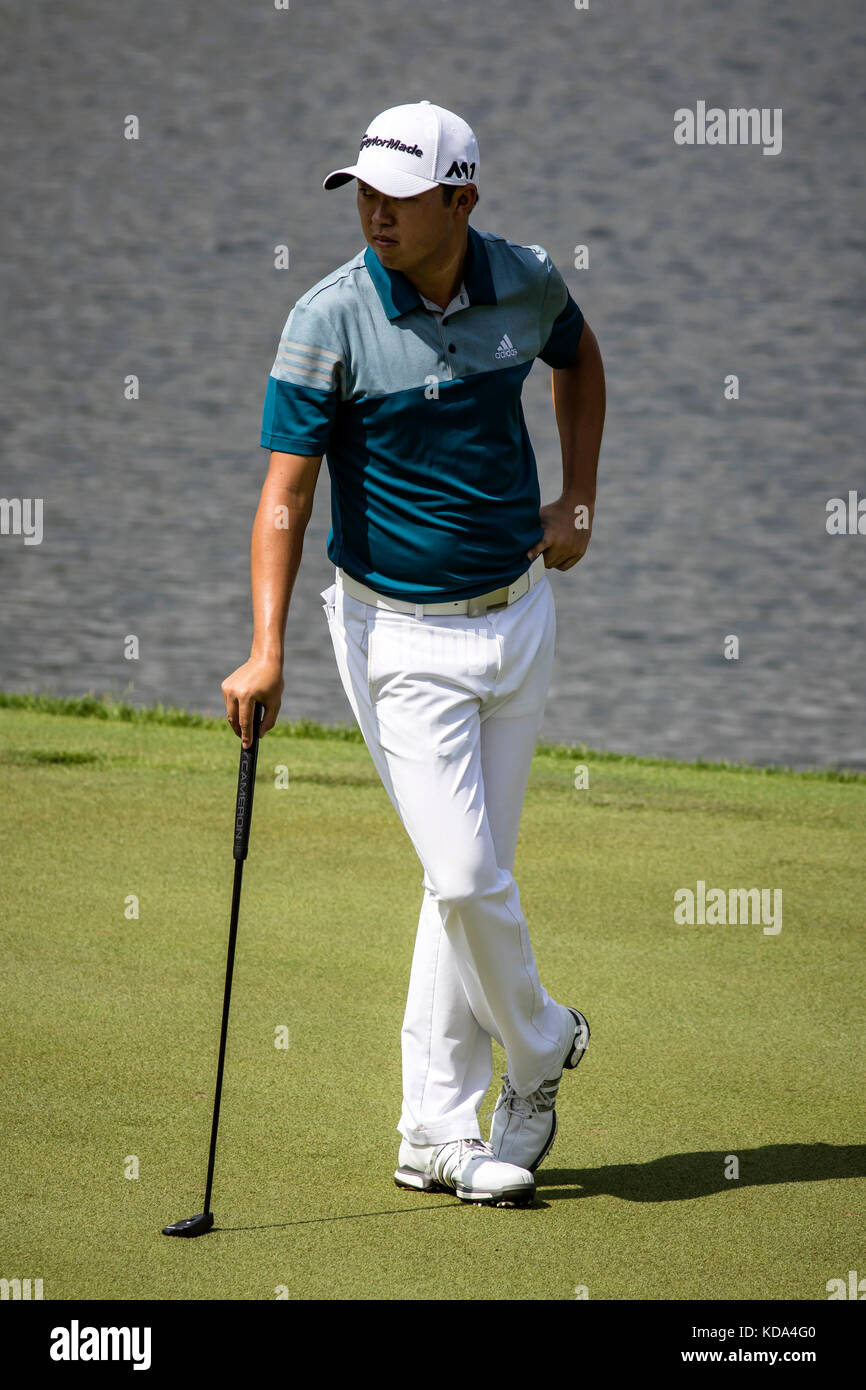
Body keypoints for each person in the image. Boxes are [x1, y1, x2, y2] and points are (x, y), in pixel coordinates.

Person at [221, 100, 606, 1208]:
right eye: (363, 192)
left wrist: (576, 499)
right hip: (397, 636)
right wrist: (264, 649)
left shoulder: (523, 280)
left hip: (520, 616)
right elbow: (284, 499)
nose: (374, 212)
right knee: (461, 872)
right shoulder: (327, 318)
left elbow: (579, 360)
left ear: (461, 199)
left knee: (464, 882)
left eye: (399, 194)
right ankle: (540, 1045)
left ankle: (430, 1137)